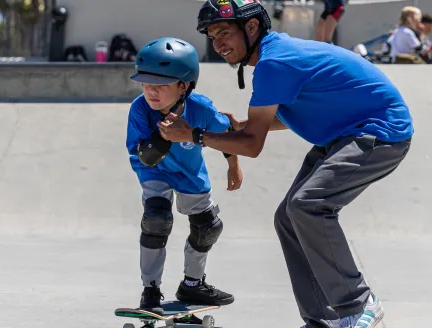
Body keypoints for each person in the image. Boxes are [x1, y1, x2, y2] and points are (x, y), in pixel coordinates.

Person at [160, 1, 414, 327]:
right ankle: (319, 320)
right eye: (212, 35)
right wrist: (242, 126)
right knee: (288, 217)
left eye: (225, 32)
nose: (218, 43)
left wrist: (194, 134)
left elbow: (253, 145)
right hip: (342, 133)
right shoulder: (273, 56)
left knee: (308, 205)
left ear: (251, 28)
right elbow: (274, 117)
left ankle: (358, 302)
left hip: (380, 132)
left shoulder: (273, 63)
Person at [125, 37, 240, 315]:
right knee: (156, 220)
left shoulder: (201, 109)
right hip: (154, 170)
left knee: (208, 226)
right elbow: (146, 155)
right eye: (146, 84)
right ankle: (150, 288)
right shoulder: (140, 109)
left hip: (190, 174)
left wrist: (233, 165)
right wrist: (163, 136)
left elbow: (225, 135)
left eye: (160, 85)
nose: (151, 92)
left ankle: (192, 284)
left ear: (184, 85)